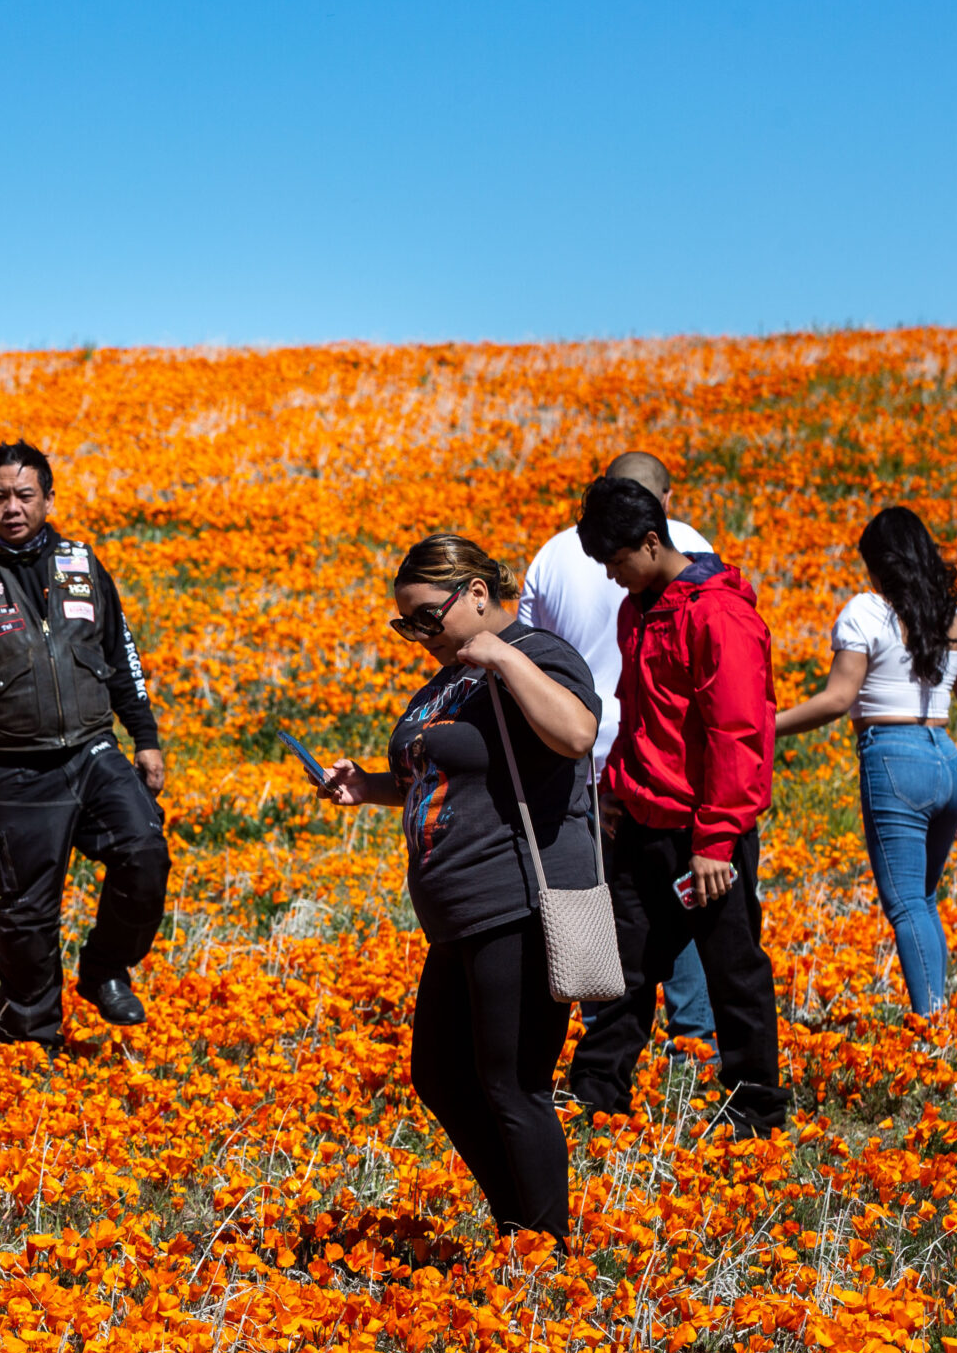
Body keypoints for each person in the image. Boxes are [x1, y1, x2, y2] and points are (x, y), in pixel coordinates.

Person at [315, 536, 600, 1244]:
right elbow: (443, 777)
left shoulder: (537, 652)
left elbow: (576, 733)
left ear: (477, 593)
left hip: (517, 898)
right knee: (440, 1076)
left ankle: (544, 1251)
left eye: (426, 619)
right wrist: (371, 789)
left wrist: (503, 656)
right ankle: (521, 1229)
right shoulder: (445, 681)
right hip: (459, 908)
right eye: (405, 625)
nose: (419, 638)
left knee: (511, 1084)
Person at [0, 441, 168, 1046]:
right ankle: (28, 1047)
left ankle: (105, 968)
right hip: (14, 767)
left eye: (24, 495)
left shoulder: (82, 562)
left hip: (92, 750)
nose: (11, 507)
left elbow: (120, 655)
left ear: (48, 500)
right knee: (27, 917)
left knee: (145, 853)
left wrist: (146, 737)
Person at [563, 477, 791, 1139]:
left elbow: (737, 731)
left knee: (735, 972)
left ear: (653, 542)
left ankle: (757, 1112)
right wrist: (615, 791)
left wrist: (717, 838)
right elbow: (640, 717)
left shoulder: (718, 614)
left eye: (616, 561)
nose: (610, 576)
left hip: (701, 833)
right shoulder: (640, 606)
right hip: (641, 819)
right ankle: (597, 1094)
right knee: (623, 968)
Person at [519, 451, 718, 1046]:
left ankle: (606, 1042)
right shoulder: (689, 544)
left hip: (580, 755)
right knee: (678, 907)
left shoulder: (556, 552)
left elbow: (529, 658)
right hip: (668, 760)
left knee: (605, 907)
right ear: (664, 499)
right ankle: (693, 1045)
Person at [776, 506, 957, 1013]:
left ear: (878, 564)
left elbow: (836, 698)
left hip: (895, 760)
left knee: (906, 904)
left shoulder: (866, 611)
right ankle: (940, 1020)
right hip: (950, 762)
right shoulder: (954, 619)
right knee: (924, 898)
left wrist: (769, 725)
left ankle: (932, 1029)